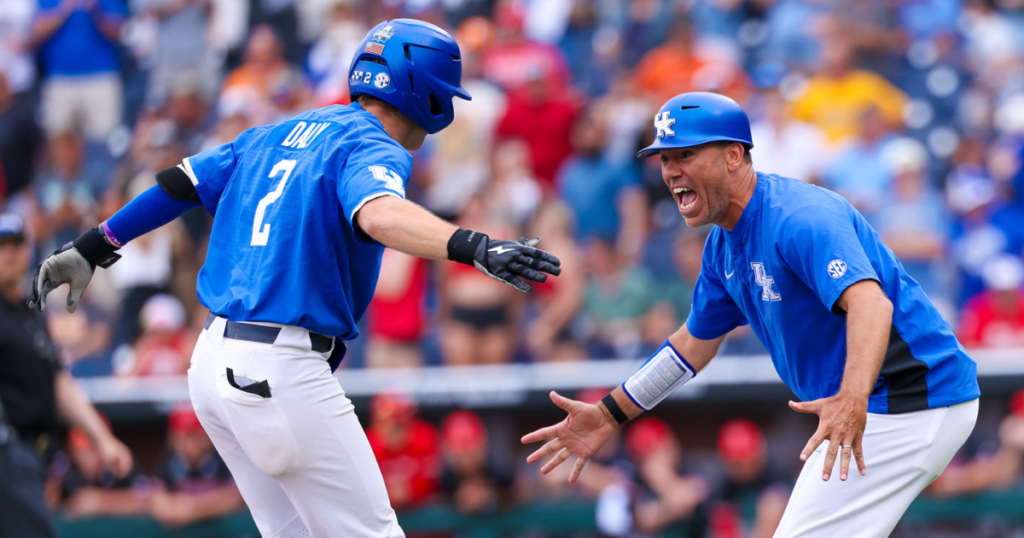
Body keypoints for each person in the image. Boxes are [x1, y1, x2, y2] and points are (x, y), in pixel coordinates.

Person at [30, 19, 560, 538]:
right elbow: (377, 214)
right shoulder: (373, 143)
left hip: (211, 363)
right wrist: (476, 247)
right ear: (428, 92)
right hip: (279, 366)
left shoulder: (273, 131)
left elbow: (177, 182)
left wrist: (95, 245)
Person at [522, 92, 979, 537]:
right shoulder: (723, 244)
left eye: (685, 154)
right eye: (664, 159)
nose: (671, 171)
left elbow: (871, 305)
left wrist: (850, 401)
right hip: (881, 405)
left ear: (734, 155)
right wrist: (610, 414)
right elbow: (689, 347)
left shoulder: (799, 216)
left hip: (910, 399)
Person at [0, 213, 132, 537]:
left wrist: (102, 440)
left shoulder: (31, 313)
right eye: (2, 246)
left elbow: (57, 381)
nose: (10, 253)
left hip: (34, 453)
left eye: (16, 244)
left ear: (29, 249)